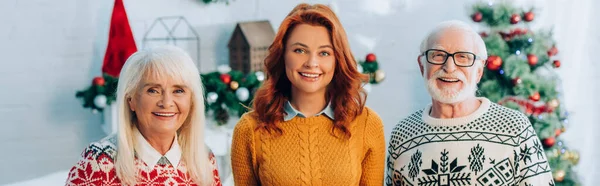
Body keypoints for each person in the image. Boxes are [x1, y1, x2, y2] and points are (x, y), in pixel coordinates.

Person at [230, 3, 385, 186]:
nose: (312, 63)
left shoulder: (367, 124)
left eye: (324, 53)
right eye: (300, 50)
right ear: (283, 55)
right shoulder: (249, 129)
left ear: (338, 60)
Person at [385, 20, 553, 186]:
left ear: (479, 71)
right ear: (422, 66)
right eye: (438, 55)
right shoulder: (402, 134)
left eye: (463, 57)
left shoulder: (515, 128)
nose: (449, 67)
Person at [66, 46, 222, 186]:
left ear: (192, 101)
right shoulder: (99, 161)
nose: (167, 103)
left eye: (178, 91)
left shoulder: (203, 158)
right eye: (153, 90)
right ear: (131, 100)